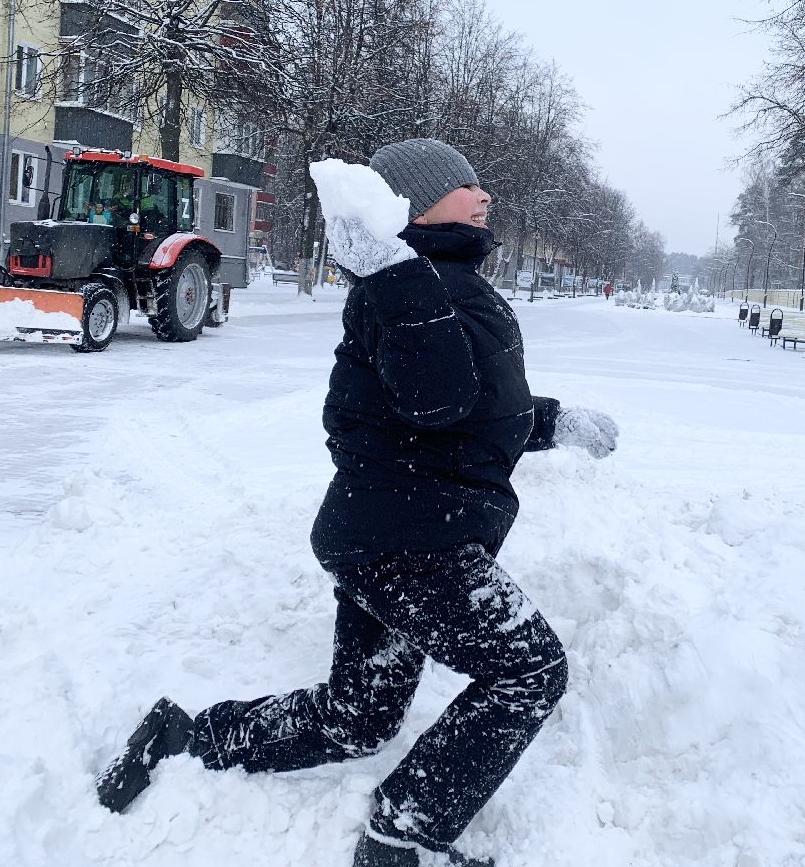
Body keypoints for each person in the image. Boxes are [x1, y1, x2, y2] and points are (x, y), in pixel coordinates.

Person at [96, 138, 620, 867]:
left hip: (392, 533)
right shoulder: (404, 289)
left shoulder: (437, 283)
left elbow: (469, 408)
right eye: (466, 183)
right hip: (412, 542)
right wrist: (397, 273)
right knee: (529, 671)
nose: (485, 194)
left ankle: (190, 738)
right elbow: (437, 400)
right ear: (414, 204)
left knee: (360, 717)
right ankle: (405, 836)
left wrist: (549, 421)